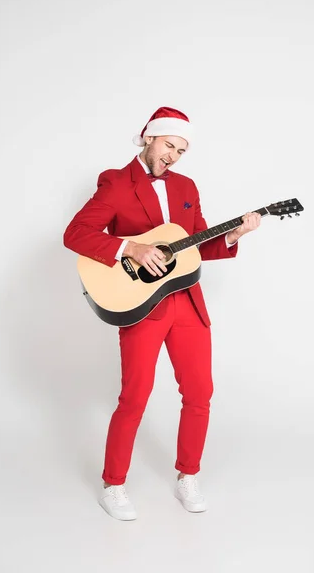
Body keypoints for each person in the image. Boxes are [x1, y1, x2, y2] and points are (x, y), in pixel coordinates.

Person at [63, 106, 261, 521]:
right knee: (134, 397)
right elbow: (76, 233)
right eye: (169, 145)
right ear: (149, 137)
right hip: (142, 307)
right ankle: (113, 484)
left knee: (200, 393)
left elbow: (195, 246)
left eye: (182, 150)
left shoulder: (187, 185)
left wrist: (234, 234)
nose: (173, 155)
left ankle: (188, 475)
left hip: (187, 303)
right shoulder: (116, 183)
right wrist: (130, 248)